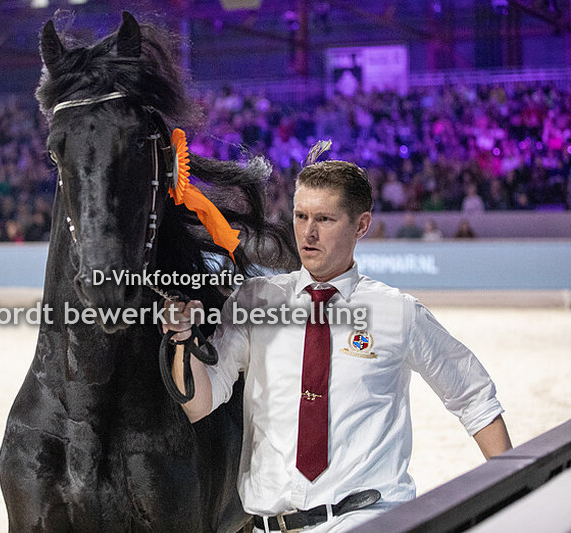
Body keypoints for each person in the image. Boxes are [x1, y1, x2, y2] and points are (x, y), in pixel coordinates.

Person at [164, 148, 511, 532]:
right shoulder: (254, 302)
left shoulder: (398, 313)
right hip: (269, 525)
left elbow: (474, 397)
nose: (308, 233)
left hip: (366, 520)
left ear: (361, 226)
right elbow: (199, 403)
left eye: (325, 219)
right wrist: (182, 338)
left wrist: (513, 494)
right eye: (300, 216)